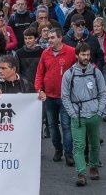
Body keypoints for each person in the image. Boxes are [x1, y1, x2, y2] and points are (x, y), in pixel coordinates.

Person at [61, 43, 106, 187]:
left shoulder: (96, 72)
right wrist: (73, 113)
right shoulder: (69, 74)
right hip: (78, 115)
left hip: (94, 114)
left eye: (88, 55)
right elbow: (65, 96)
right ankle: (81, 173)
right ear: (77, 55)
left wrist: (99, 111)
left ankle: (93, 167)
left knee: (94, 144)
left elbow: (103, 93)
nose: (86, 57)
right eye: (83, 54)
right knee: (79, 145)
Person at [36, 27, 77, 166]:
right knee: (52, 126)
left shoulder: (71, 52)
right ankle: (57, 149)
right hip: (49, 96)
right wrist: (39, 89)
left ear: (60, 38)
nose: (50, 40)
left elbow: (80, 69)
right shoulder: (45, 53)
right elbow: (40, 73)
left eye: (53, 37)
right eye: (49, 38)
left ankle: (68, 153)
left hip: (65, 96)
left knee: (66, 125)